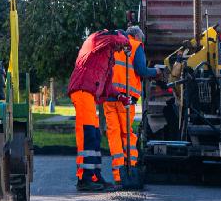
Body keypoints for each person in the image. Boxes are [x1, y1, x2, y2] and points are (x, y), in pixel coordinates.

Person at [68, 29, 132, 191]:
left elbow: (108, 86)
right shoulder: (97, 39)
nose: (119, 50)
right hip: (82, 91)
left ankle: (94, 175)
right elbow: (113, 38)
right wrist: (127, 42)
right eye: (119, 46)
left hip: (88, 94)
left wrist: (120, 97)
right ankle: (84, 178)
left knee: (95, 135)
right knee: (88, 134)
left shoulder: (107, 58)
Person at [103, 26, 158, 185]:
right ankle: (131, 169)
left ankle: (119, 175)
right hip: (126, 100)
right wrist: (156, 72)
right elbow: (141, 70)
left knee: (113, 134)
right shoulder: (135, 45)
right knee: (127, 134)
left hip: (110, 96)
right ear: (135, 36)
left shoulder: (113, 45)